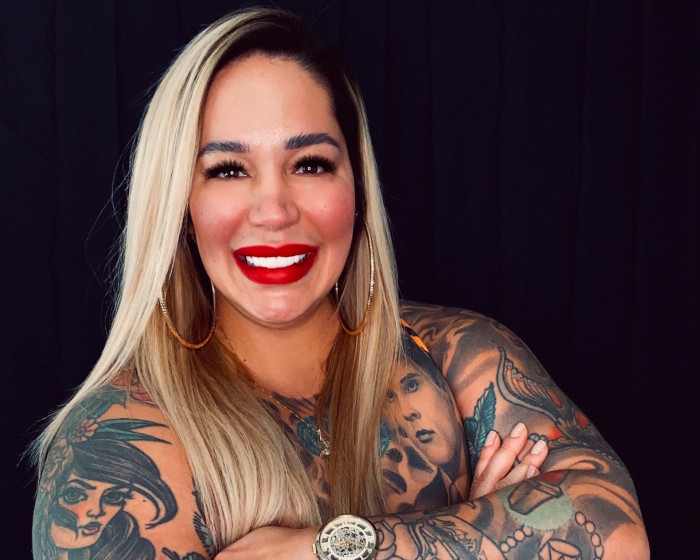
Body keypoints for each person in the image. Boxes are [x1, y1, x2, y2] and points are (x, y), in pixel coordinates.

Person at [32, 7, 649, 560]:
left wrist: (322, 549)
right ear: (180, 207)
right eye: (228, 170)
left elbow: (618, 538)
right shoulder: (117, 440)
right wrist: (476, 535)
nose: (274, 211)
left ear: (356, 189)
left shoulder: (462, 355)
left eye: (310, 164)